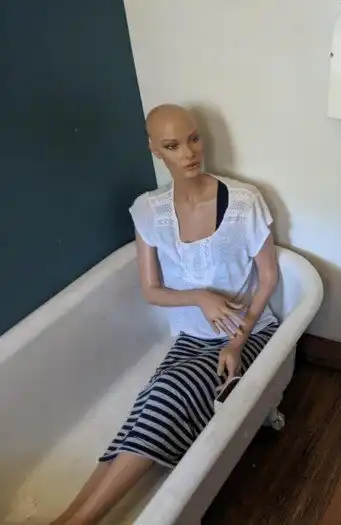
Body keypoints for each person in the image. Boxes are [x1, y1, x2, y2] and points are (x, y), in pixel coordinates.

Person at [51, 104, 280, 525]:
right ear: (155, 149)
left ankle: (81, 522)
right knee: (149, 402)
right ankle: (67, 518)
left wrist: (238, 341)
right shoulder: (149, 211)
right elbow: (151, 290)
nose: (189, 153)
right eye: (173, 146)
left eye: (194, 139)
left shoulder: (244, 202)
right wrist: (200, 297)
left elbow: (268, 277)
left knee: (171, 390)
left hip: (248, 334)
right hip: (191, 337)